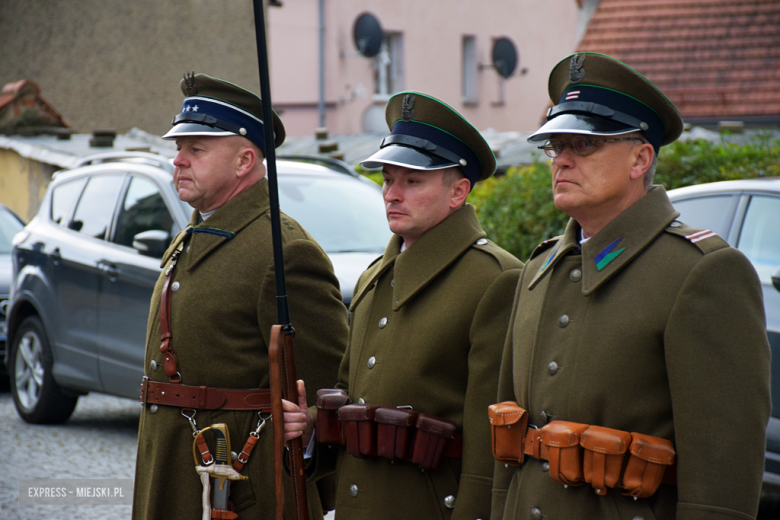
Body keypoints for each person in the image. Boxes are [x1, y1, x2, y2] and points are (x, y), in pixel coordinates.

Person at [491, 53, 771, 520]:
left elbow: (722, 475)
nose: (561, 160)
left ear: (640, 159)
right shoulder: (539, 269)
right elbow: (511, 441)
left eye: (584, 144)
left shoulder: (701, 272)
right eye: (555, 146)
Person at [283, 91, 523, 520]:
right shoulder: (376, 276)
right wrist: (313, 424)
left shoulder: (494, 278)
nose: (392, 194)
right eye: (388, 180)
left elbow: (492, 437)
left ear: (458, 192)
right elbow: (352, 392)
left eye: (412, 182)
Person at [132, 73, 348, 520]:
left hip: (240, 485)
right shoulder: (196, 231)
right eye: (178, 148)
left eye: (196, 150)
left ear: (244, 160)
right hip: (175, 468)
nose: (178, 161)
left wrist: (307, 438)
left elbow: (324, 387)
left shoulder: (284, 251)